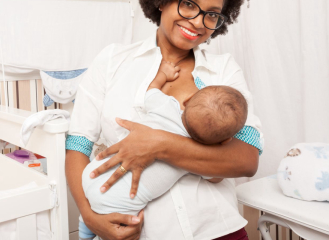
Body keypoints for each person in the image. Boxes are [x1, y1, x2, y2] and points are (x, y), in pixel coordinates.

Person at [66, 0, 263, 240]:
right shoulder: (112, 61)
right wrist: (90, 216)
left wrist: (159, 144)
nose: (198, 22)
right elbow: (77, 145)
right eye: (188, 4)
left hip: (219, 231)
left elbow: (246, 159)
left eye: (212, 14)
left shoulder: (224, 71)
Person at [78, 60, 248, 240]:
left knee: (97, 201)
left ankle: (84, 230)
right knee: (123, 217)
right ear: (225, 140)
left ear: (188, 99)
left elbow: (151, 91)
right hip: (119, 203)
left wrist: (163, 75)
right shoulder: (196, 156)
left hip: (92, 174)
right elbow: (216, 176)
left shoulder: (166, 106)